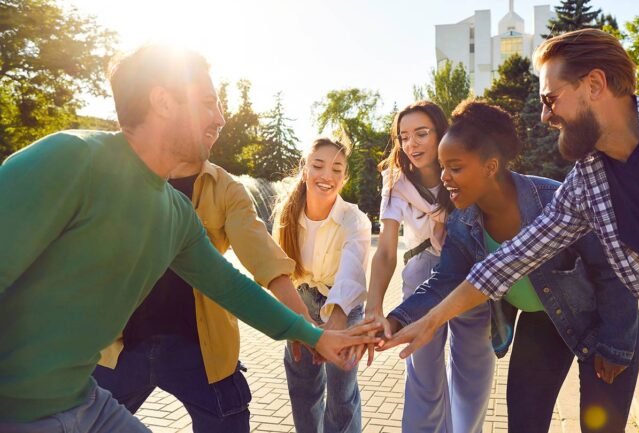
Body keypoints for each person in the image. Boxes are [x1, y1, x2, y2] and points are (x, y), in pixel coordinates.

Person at [381, 29, 639, 433]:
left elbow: (608, 278)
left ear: (595, 85)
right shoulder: (588, 181)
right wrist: (426, 321)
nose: (546, 115)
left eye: (551, 99)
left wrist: (616, 342)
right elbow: (510, 259)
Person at [0, 45, 379, 433]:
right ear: (163, 101)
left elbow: (230, 286)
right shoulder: (68, 158)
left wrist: (312, 334)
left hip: (82, 402)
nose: (221, 118)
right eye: (208, 104)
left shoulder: (175, 213)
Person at [384, 99, 639, 433]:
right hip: (541, 323)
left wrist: (616, 344)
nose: (444, 178)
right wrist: (395, 319)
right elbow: (444, 281)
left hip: (600, 322)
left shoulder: (552, 201)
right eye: (443, 167)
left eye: (456, 168)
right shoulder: (463, 221)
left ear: (490, 166)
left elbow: (612, 270)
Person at [92, 118, 317, 432]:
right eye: (207, 102)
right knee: (77, 421)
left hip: (201, 348)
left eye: (219, 105)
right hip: (120, 346)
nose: (220, 117)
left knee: (231, 422)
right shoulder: (123, 175)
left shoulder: (226, 188)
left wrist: (300, 318)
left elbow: (262, 255)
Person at [362, 101, 496, 433]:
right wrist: (374, 305)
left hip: (468, 274)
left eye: (422, 134)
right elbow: (386, 251)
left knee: (473, 372)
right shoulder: (394, 179)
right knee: (423, 375)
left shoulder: (464, 168)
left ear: (441, 132)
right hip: (420, 271)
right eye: (403, 137)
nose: (411, 144)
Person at [273, 138, 371, 433]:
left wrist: (337, 321)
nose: (326, 175)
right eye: (318, 166)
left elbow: (352, 272)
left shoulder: (355, 220)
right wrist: (294, 322)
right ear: (304, 170)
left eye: (336, 169)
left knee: (341, 396)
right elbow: (280, 273)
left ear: (344, 179)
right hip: (299, 303)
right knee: (303, 391)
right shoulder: (286, 215)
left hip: (344, 304)